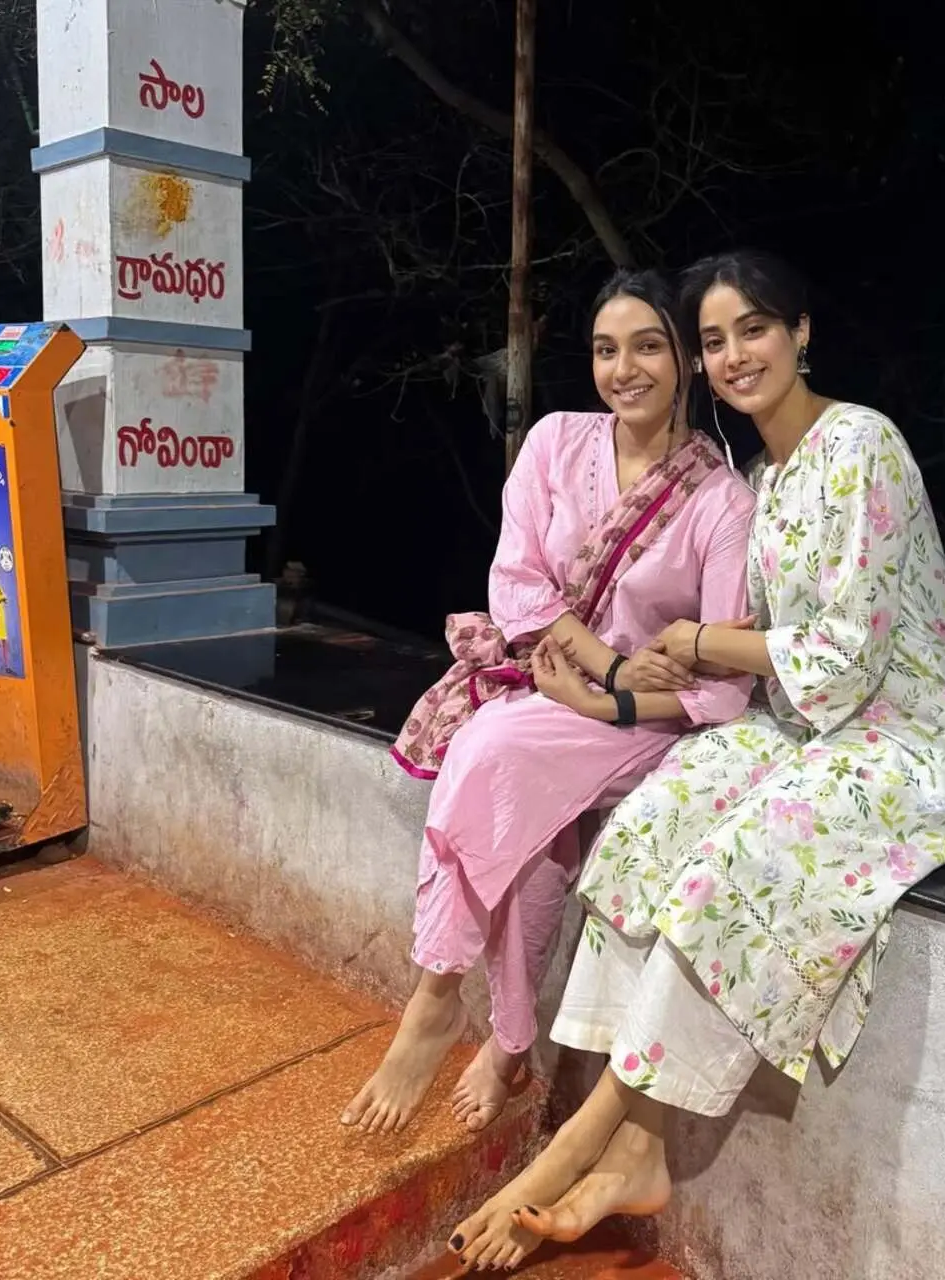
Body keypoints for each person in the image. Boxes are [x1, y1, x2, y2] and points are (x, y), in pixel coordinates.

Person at [445, 250, 945, 1272]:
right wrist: (654, 663)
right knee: (655, 821)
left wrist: (698, 643)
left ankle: (592, 1135)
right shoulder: (760, 476)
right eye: (713, 338)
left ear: (800, 333)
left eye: (753, 327)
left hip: (912, 737)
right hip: (807, 724)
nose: (734, 352)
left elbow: (837, 660)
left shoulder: (862, 446)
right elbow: (773, 664)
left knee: (734, 862)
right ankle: (640, 1149)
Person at [340, 268, 756, 1137]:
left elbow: (722, 681)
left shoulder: (722, 502)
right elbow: (519, 583)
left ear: (685, 359)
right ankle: (507, 1042)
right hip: (562, 681)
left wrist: (614, 706)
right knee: (523, 840)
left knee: (490, 755)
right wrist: (604, 668)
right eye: (607, 349)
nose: (625, 368)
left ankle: (438, 995)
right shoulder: (558, 443)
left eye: (649, 346)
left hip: (650, 723)